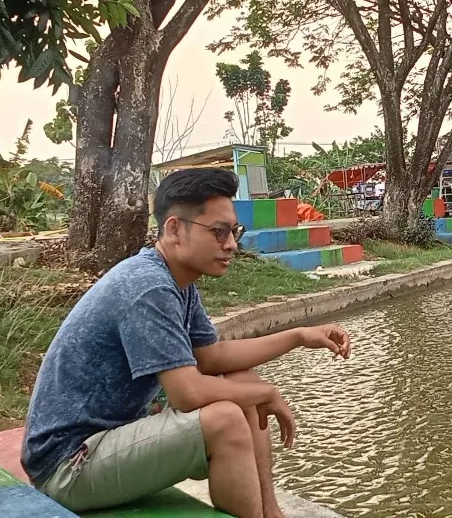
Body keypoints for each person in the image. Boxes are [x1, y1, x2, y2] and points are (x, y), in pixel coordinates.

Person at [22, 169, 352, 518]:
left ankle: (270, 513)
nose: (231, 245)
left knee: (242, 379)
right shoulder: (148, 286)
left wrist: (299, 336)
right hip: (67, 466)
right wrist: (268, 394)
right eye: (218, 232)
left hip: (106, 441)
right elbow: (187, 393)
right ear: (175, 229)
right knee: (225, 417)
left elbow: (212, 357)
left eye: (234, 232)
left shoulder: (177, 282)